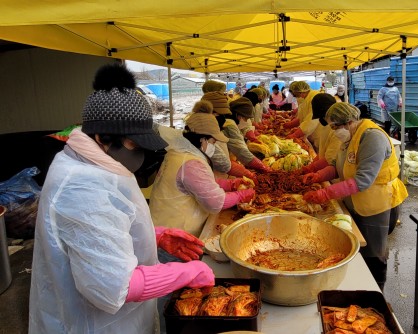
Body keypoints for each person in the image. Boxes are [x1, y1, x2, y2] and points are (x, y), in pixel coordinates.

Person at [28, 63, 215, 334]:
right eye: (135, 146)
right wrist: (189, 273)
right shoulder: (81, 188)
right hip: (93, 324)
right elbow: (116, 285)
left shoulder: (95, 162)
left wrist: (154, 235)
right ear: (102, 137)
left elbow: (97, 233)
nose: (140, 155)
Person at [302, 102, 408, 290]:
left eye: (335, 126)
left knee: (374, 252)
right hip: (355, 201)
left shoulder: (372, 138)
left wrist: (324, 193)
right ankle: (357, 286)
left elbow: (362, 180)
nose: (333, 131)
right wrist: (318, 176)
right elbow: (339, 166)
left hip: (376, 204)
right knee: (357, 247)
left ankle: (376, 291)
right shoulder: (351, 135)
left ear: (350, 122)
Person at [149, 110, 255, 237]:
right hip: (174, 235)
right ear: (202, 140)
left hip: (163, 226)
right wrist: (241, 195)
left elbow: (201, 184)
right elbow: (215, 203)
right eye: (213, 142)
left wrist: (230, 184)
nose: (214, 146)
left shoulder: (178, 153)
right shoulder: (191, 163)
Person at [224, 97, 273, 173]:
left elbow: (245, 130)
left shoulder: (232, 122)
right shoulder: (229, 125)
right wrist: (262, 167)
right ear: (238, 114)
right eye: (246, 118)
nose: (246, 121)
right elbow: (242, 152)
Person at [284, 81, 320, 148]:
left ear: (301, 92)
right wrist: (292, 125)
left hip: (318, 132)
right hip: (311, 133)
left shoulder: (314, 98)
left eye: (297, 95)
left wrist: (295, 135)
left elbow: (311, 121)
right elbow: (302, 117)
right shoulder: (306, 98)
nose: (298, 97)